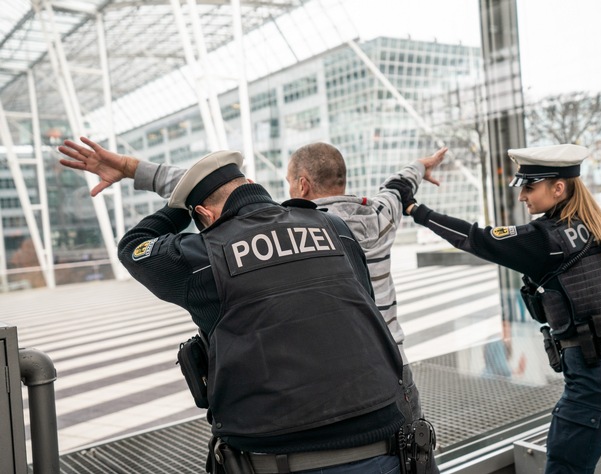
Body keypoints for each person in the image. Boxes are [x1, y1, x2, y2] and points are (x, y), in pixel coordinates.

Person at [59, 137, 406, 474]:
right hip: (383, 443)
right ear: (253, 185)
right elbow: (364, 303)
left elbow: (133, 246)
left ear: (203, 215)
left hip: (275, 452)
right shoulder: (334, 227)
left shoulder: (204, 255)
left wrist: (177, 208)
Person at [397, 144, 601, 473]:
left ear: (558, 188)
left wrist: (414, 208)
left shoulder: (544, 241)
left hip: (599, 370)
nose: (522, 197)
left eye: (529, 187)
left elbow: (474, 237)